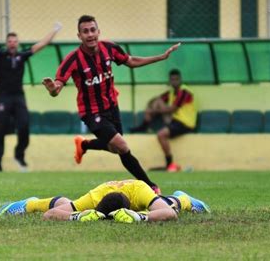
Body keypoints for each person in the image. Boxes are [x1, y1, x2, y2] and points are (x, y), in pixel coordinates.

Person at [42, 15, 181, 194]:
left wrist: (161, 57)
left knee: (115, 148)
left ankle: (84, 145)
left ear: (98, 31)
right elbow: (57, 87)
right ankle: (150, 185)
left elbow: (130, 61)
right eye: (85, 31)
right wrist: (52, 88)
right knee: (122, 146)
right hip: (91, 112)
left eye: (93, 30)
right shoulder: (73, 59)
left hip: (112, 106)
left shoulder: (109, 48)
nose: (90, 34)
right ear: (79, 36)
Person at [0, 14, 62, 172]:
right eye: (10, 41)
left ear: (18, 43)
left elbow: (40, 45)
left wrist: (54, 31)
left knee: (24, 125)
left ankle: (19, 155)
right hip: (3, 96)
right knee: (0, 129)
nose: (12, 43)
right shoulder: (1, 54)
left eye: (15, 41)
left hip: (18, 96)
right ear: (7, 43)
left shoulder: (22, 56)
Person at [0, 179, 211, 223]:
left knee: (170, 205)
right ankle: (30, 203)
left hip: (138, 191)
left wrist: (139, 216)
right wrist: (78, 216)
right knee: (65, 203)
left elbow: (169, 215)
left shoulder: (139, 191)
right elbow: (49, 215)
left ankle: (185, 198)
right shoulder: (95, 197)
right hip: (101, 194)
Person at [130, 69, 197, 172]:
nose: (174, 81)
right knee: (157, 100)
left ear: (180, 80)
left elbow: (172, 109)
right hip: (175, 121)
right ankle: (145, 126)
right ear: (169, 81)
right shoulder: (170, 93)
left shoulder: (184, 92)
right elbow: (155, 100)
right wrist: (151, 108)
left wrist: (153, 111)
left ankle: (169, 164)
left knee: (161, 134)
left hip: (185, 123)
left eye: (176, 79)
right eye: (172, 79)